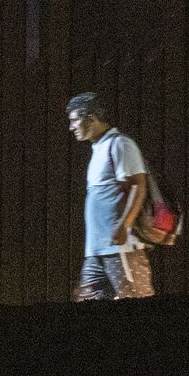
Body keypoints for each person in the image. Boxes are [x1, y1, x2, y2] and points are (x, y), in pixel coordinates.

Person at [66, 91, 152, 300]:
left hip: (120, 249)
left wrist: (124, 226)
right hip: (96, 252)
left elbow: (138, 186)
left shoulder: (120, 144)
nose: (71, 127)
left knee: (134, 298)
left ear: (91, 118)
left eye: (74, 120)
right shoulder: (98, 148)